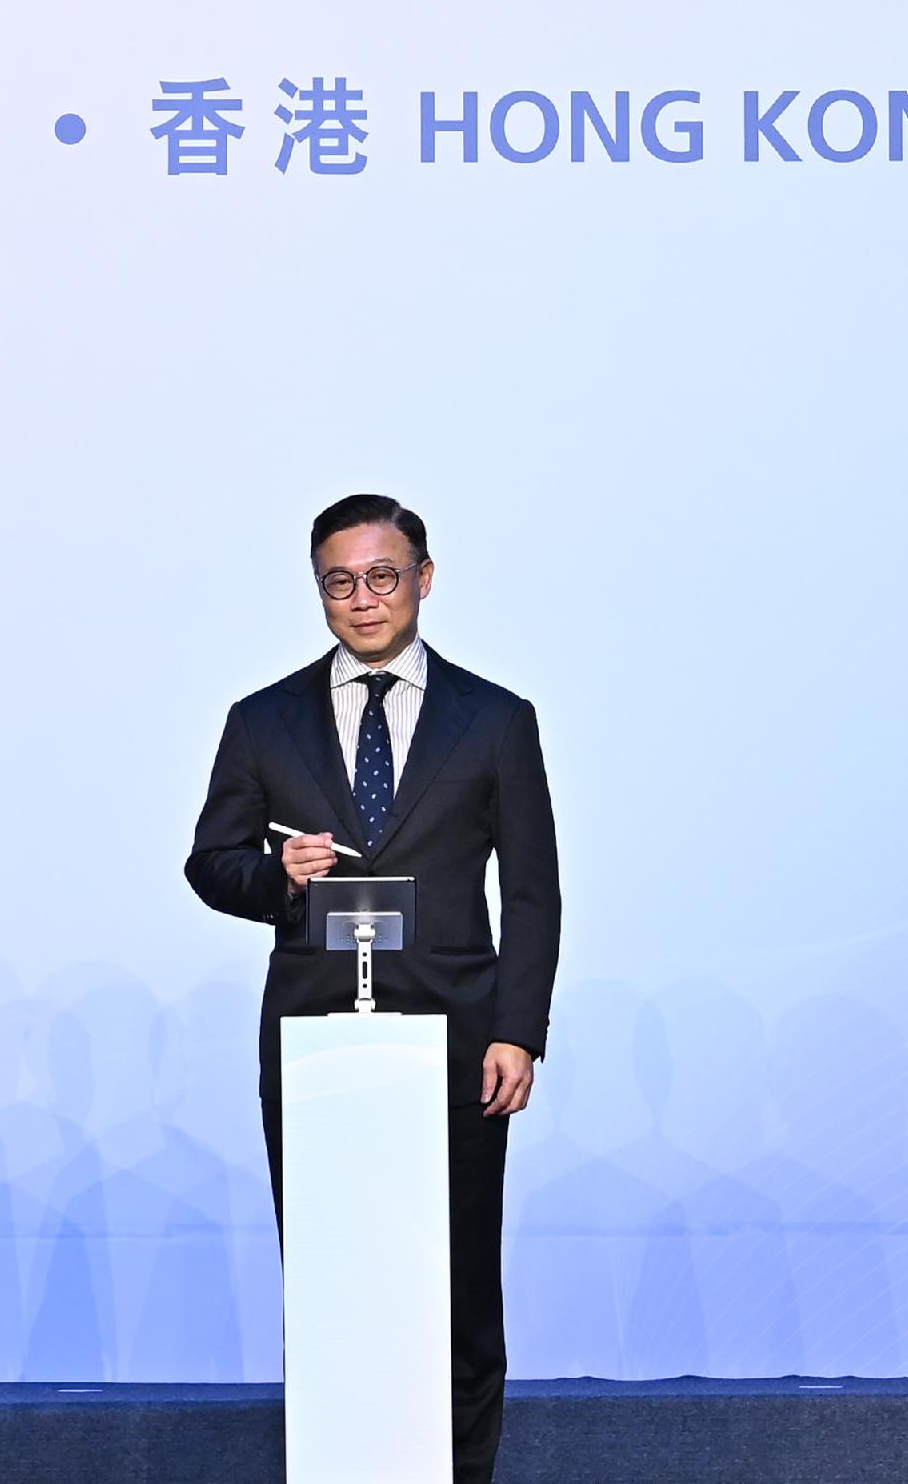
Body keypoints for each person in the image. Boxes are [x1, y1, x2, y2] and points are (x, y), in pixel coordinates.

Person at [185, 492, 560, 1484]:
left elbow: (530, 889)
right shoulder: (263, 718)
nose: (363, 598)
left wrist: (517, 1030)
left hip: (457, 1039)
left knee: (459, 1288)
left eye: (382, 575)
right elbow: (210, 862)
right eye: (340, 581)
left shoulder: (495, 718)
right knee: (332, 1284)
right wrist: (278, 878)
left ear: (424, 578)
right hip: (315, 1038)